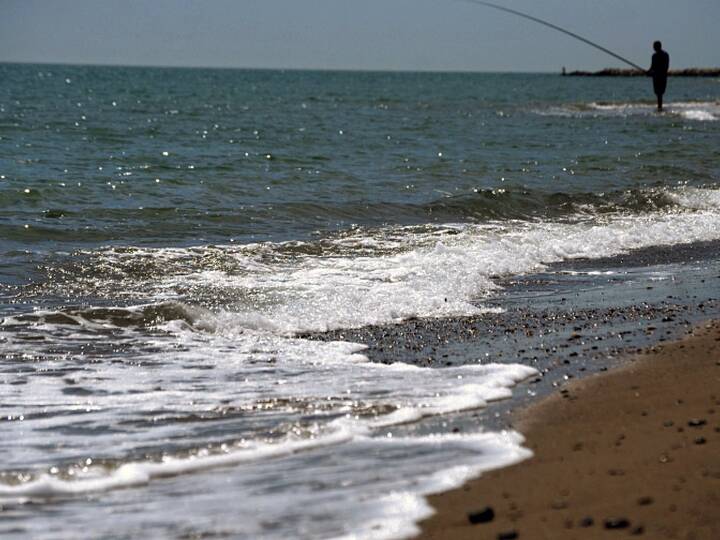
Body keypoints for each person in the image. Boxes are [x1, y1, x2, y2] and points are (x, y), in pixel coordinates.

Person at [647, 41, 670, 111]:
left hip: (661, 77)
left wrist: (656, 72)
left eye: (654, 46)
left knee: (660, 93)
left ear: (659, 46)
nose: (653, 48)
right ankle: (659, 107)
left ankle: (659, 107)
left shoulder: (665, 55)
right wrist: (648, 72)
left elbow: (666, 67)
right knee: (658, 93)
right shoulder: (654, 56)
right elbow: (652, 67)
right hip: (656, 77)